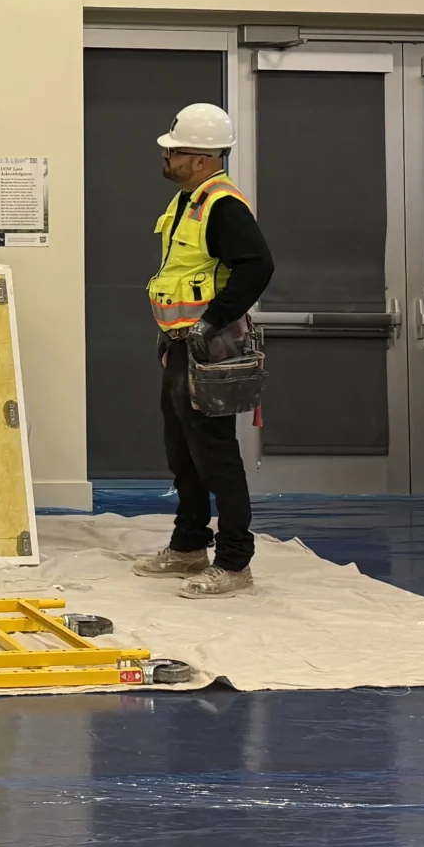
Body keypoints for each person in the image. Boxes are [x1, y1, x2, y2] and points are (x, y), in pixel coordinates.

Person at [136, 102, 276, 598]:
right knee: (183, 452)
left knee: (215, 455)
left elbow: (257, 266)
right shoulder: (187, 202)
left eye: (174, 152)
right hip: (181, 347)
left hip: (208, 349)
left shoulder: (222, 205)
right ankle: (189, 545)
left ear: (201, 159)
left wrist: (212, 321)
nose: (166, 157)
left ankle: (235, 561)